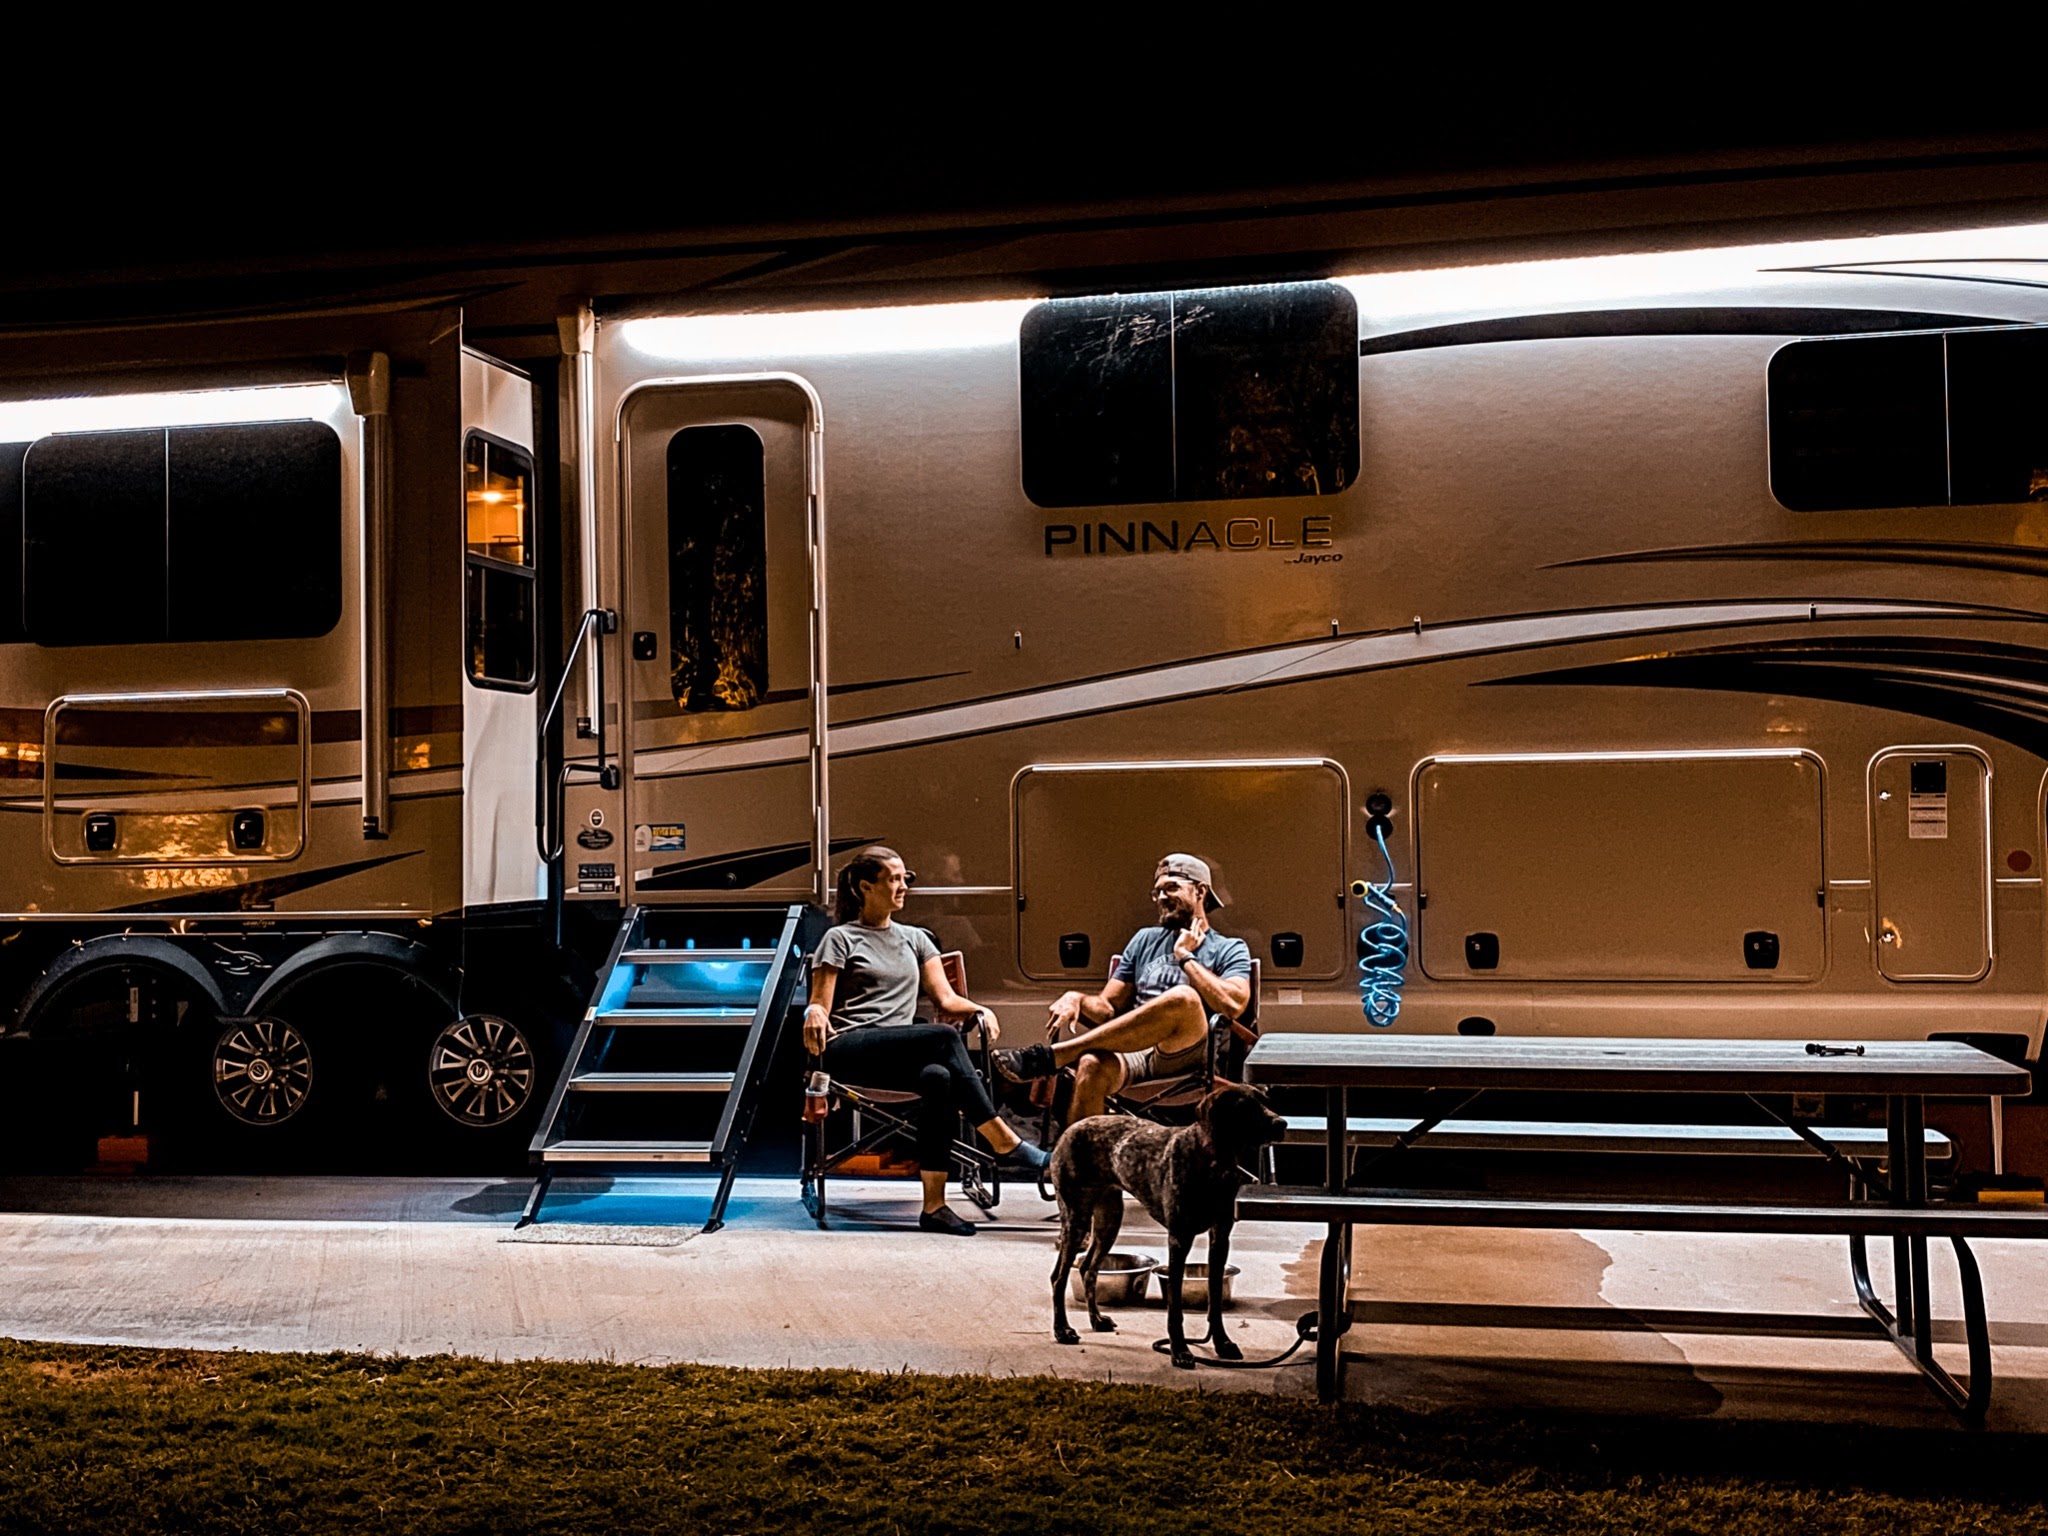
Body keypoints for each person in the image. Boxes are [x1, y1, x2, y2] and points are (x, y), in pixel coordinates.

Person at [804, 845, 1050, 1235]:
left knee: (939, 1077)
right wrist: (813, 1012)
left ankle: (934, 1206)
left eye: (907, 879)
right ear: (866, 887)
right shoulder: (840, 938)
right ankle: (1003, 1139)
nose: (904, 887)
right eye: (894, 880)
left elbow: (946, 999)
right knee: (941, 1036)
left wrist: (979, 1009)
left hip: (899, 1052)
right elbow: (820, 1002)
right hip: (850, 1047)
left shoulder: (916, 939)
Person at [995, 854, 1252, 1122]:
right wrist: (1077, 999)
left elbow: (1233, 1005)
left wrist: (1185, 956)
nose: (1162, 897)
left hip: (1190, 1057)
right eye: (1157, 892)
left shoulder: (1229, 948)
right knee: (1092, 1065)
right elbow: (1107, 1009)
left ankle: (1054, 1056)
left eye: (1172, 887)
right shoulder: (1144, 939)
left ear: (1200, 891)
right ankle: (1077, 1161)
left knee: (1184, 998)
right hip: (1137, 1051)